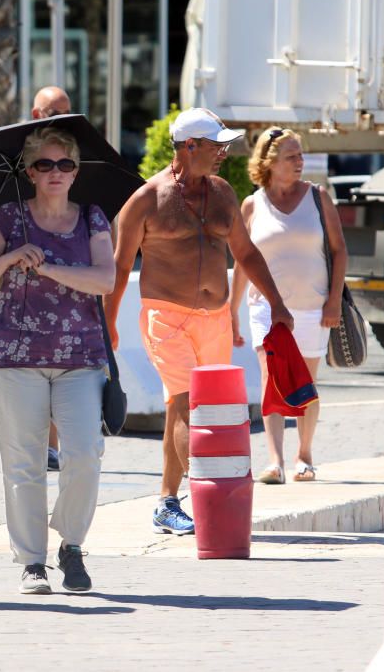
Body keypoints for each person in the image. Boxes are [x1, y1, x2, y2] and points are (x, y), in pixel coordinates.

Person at [104, 108, 294, 535]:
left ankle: (167, 501)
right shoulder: (146, 200)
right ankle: (212, 497)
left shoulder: (223, 193)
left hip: (215, 318)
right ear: (189, 147)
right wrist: (108, 326)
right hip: (165, 315)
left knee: (195, 407)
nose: (223, 153)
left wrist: (277, 303)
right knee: (187, 399)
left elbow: (245, 254)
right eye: (215, 145)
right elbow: (118, 269)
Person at [0, 126, 115, 595]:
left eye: (65, 164)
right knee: (24, 463)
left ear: (76, 171)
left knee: (85, 454)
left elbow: (105, 280)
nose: (56, 172)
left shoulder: (92, 218)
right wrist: (11, 258)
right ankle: (32, 561)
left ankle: (71, 543)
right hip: (15, 357)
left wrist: (47, 265)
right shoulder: (8, 218)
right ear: (30, 171)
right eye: (45, 164)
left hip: (80, 357)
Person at [230, 127, 347, 484]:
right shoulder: (252, 204)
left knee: (307, 381)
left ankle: (304, 455)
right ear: (269, 163)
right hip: (265, 307)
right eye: (291, 157)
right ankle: (275, 461)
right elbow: (242, 261)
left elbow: (340, 250)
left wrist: (334, 301)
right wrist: (231, 311)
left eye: (300, 155)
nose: (300, 163)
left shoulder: (318, 197)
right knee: (271, 380)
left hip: (313, 304)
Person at [32, 85, 72, 470]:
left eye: (65, 113)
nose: (58, 120)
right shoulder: (17, 159)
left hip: (69, 278)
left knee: (62, 366)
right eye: (51, 113)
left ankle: (54, 443)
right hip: (25, 276)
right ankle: (40, 444)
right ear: (35, 115)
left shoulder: (76, 159)